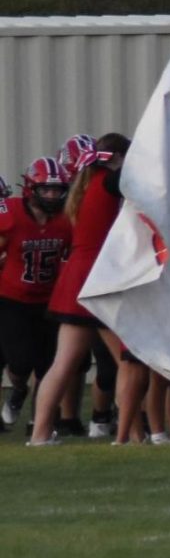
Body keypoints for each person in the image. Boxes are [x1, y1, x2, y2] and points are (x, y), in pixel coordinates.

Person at [30, 133, 148, 446]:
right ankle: (131, 435)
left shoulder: (84, 185)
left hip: (77, 276)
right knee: (128, 361)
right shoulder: (107, 181)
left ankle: (40, 434)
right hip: (98, 278)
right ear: (119, 158)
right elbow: (147, 170)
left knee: (63, 362)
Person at [0, 159, 72, 431]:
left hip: (49, 299)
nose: (53, 195)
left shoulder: (67, 218)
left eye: (57, 190)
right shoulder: (11, 213)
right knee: (19, 362)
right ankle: (18, 390)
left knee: (46, 365)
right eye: (46, 190)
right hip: (12, 299)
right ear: (32, 188)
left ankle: (39, 422)